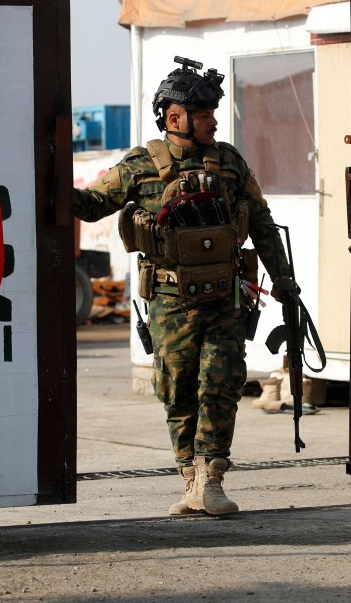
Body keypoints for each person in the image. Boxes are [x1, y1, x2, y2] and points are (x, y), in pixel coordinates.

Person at [73, 56, 292, 515]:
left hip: (225, 299)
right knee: (177, 389)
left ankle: (211, 479)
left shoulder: (229, 162)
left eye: (213, 113)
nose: (213, 121)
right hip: (171, 303)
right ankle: (189, 479)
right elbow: (91, 206)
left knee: (220, 385)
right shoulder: (138, 166)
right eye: (204, 113)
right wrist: (43, 167)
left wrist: (286, 282)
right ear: (175, 117)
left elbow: (263, 224)